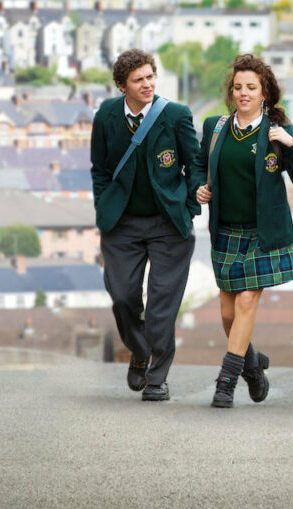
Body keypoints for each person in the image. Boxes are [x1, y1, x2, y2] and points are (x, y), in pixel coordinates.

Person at [194, 54, 293, 408]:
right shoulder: (215, 128)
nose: (243, 93)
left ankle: (226, 383)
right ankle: (253, 365)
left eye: (251, 87)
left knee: (247, 301)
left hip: (263, 233)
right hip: (226, 231)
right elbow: (201, 166)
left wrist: (292, 146)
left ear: (265, 93)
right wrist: (198, 190)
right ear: (231, 93)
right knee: (229, 315)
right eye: (238, 88)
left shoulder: (278, 131)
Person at [90, 48, 201, 402]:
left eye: (151, 77)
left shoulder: (177, 115)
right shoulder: (106, 115)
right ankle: (139, 352)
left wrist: (189, 206)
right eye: (139, 80)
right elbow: (100, 169)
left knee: (161, 306)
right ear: (122, 85)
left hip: (169, 224)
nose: (147, 84)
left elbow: (194, 165)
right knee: (122, 297)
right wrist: (103, 207)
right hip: (121, 225)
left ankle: (157, 379)